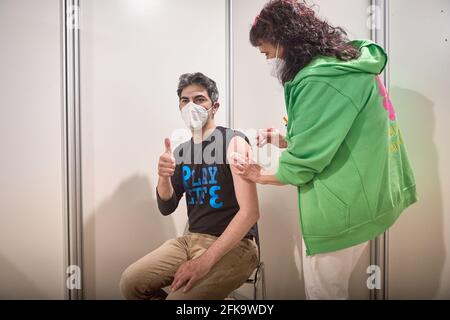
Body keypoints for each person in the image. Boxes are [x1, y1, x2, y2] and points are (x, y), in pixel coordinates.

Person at [232, 0, 417, 299]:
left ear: (285, 41)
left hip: (341, 205)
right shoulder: (344, 65)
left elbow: (305, 163)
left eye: (266, 52)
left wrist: (259, 174)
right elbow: (336, 131)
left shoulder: (319, 79)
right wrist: (286, 139)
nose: (267, 60)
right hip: (368, 193)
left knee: (324, 292)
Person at [119, 72, 259, 300]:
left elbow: (250, 212)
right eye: (185, 100)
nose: (190, 105)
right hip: (191, 240)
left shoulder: (233, 141)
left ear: (214, 106)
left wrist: (204, 262)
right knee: (130, 282)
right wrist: (163, 177)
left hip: (237, 246)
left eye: (199, 99)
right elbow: (167, 207)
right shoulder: (181, 152)